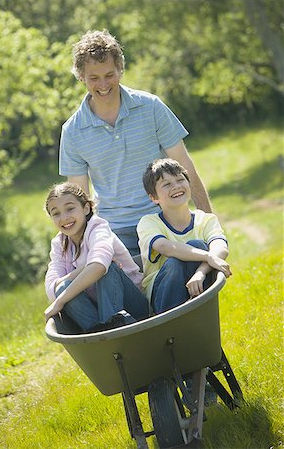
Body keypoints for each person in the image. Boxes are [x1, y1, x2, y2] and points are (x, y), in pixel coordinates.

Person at [59, 29, 212, 256]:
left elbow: (183, 163)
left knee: (183, 277)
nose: (103, 84)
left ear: (120, 69)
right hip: (114, 231)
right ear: (81, 76)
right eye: (94, 78)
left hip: (165, 219)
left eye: (109, 74)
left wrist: (209, 220)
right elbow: (80, 198)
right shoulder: (72, 131)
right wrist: (83, 249)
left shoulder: (151, 107)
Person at [44, 182, 149, 332]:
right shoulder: (60, 243)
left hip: (133, 307)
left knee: (108, 269)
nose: (64, 217)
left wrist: (60, 300)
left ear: (86, 208)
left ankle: (113, 328)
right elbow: (52, 288)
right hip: (97, 313)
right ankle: (98, 333)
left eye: (70, 209)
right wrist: (82, 271)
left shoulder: (99, 229)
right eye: (56, 213)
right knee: (63, 288)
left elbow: (99, 267)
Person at [137, 158, 232, 313]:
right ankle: (170, 322)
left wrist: (200, 272)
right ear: (153, 198)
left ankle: (198, 314)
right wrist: (208, 257)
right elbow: (165, 247)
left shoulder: (206, 219)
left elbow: (220, 248)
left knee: (198, 245)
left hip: (199, 286)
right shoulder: (149, 222)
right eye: (167, 184)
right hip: (162, 298)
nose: (176, 186)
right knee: (176, 261)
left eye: (180, 180)